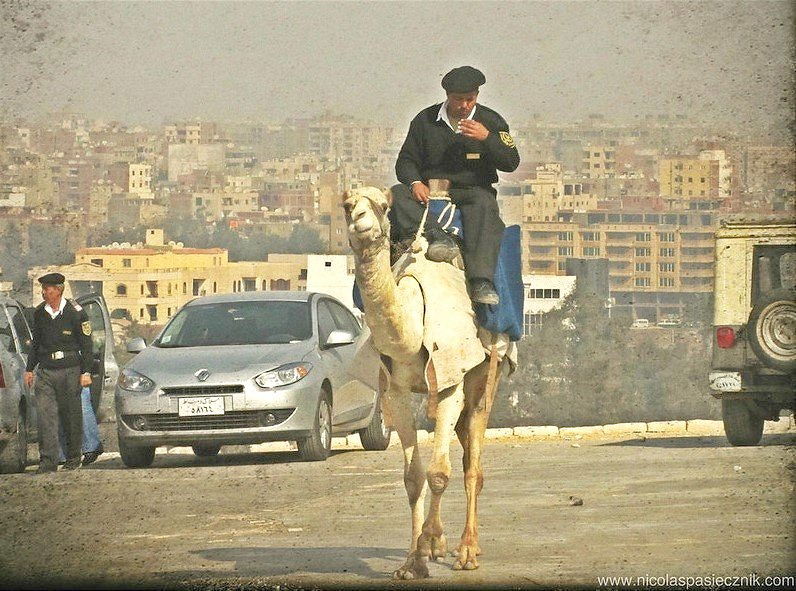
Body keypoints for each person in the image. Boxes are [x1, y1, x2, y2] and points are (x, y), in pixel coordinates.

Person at [390, 65, 520, 305]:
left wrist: (487, 139)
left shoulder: (491, 121)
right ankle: (436, 236)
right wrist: (415, 183)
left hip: (473, 192)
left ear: (477, 96)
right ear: (448, 96)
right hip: (431, 193)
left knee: (484, 207)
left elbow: (511, 162)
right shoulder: (425, 120)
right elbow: (406, 161)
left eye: (469, 99)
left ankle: (481, 281)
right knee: (398, 195)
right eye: (458, 100)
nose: (464, 106)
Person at [23, 273, 93, 473]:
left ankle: (72, 458)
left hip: (70, 370)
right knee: (46, 417)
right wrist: (29, 369)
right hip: (46, 371)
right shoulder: (39, 313)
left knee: (71, 415)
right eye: (43, 289)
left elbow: (87, 345)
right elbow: (36, 344)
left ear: (59, 289)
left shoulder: (76, 312)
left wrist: (86, 371)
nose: (44, 292)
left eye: (48, 288)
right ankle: (48, 462)